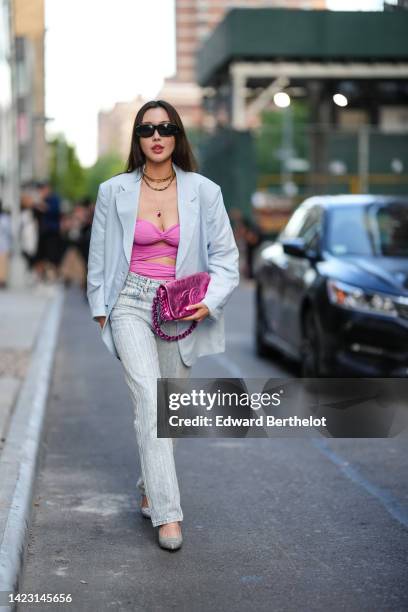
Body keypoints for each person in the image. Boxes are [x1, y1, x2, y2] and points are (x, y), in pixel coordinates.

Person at [86, 99, 239, 551]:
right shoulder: (113, 191)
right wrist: (101, 311)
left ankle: (150, 484)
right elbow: (99, 258)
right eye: (147, 129)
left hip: (180, 308)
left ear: (176, 137)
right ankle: (168, 515)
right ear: (137, 138)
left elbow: (228, 259)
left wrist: (208, 303)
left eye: (165, 128)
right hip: (130, 302)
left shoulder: (204, 191)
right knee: (151, 402)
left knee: (168, 412)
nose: (157, 135)